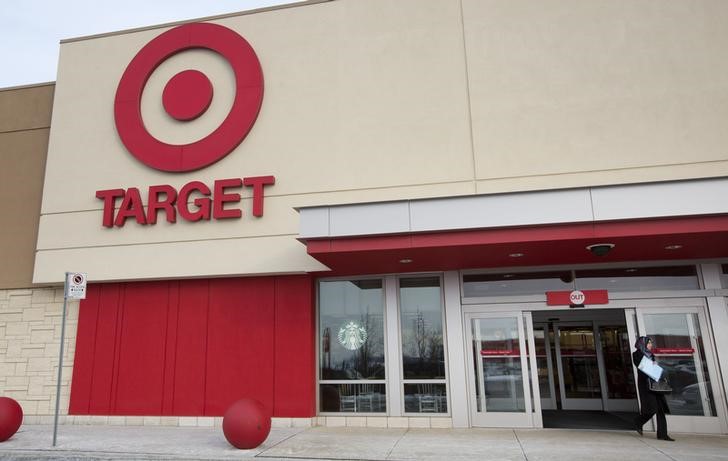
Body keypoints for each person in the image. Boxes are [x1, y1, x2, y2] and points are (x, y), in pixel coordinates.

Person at [632, 336, 674, 441]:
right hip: (646, 385)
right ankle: (638, 421)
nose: (651, 345)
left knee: (660, 410)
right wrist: (652, 366)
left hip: (656, 384)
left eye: (651, 343)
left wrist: (655, 366)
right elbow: (642, 368)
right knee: (651, 409)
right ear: (642, 344)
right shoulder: (636, 354)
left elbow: (653, 368)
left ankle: (663, 434)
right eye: (649, 343)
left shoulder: (651, 355)